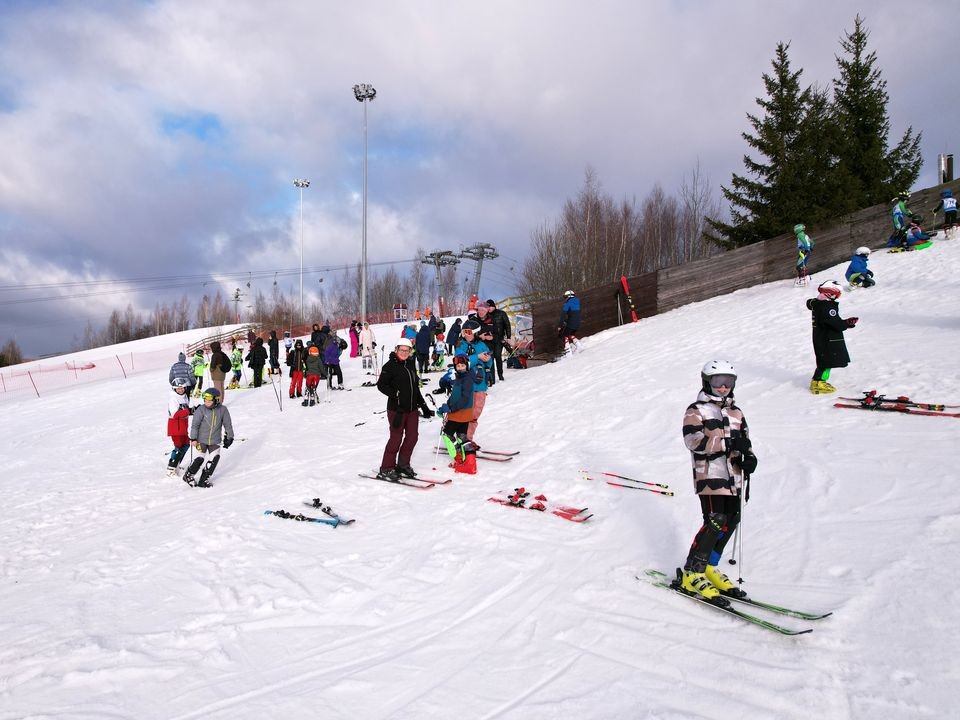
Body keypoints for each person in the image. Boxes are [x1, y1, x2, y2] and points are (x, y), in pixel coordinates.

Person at [679, 360, 758, 602]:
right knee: (715, 521)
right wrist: (727, 444)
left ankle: (709, 567)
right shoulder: (696, 410)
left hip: (734, 476)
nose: (723, 387)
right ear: (706, 382)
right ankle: (692, 571)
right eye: (717, 382)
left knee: (732, 519)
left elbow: (745, 441)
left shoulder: (736, 412)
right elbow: (693, 441)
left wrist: (750, 458)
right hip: (710, 475)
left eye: (728, 382)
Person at [375, 338, 434, 480]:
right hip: (397, 409)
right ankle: (386, 468)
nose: (404, 353)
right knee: (396, 438)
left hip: (412, 409)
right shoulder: (389, 366)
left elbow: (415, 387)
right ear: (396, 350)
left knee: (413, 437)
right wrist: (395, 394)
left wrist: (424, 406)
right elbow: (381, 385)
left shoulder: (410, 364)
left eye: (407, 350)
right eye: (402, 350)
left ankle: (402, 465)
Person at [806, 280, 858, 394]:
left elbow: (830, 321)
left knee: (825, 360)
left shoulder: (819, 304)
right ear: (830, 293)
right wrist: (846, 324)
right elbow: (833, 322)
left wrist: (845, 323)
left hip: (822, 337)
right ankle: (818, 382)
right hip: (828, 338)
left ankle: (819, 381)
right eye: (837, 294)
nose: (837, 296)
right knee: (826, 361)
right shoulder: (827, 307)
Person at [182, 387, 234, 487]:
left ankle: (203, 480)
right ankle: (188, 475)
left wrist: (230, 437)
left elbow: (228, 425)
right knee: (199, 459)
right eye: (205, 399)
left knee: (214, 459)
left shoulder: (223, 410)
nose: (206, 401)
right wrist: (193, 438)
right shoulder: (201, 410)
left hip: (215, 440)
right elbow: (195, 425)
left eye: (209, 400)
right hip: (201, 440)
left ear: (216, 400)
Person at [437, 354, 478, 474]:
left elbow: (465, 399)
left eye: (462, 365)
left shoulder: (467, 379)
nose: (460, 368)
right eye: (458, 366)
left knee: (447, 434)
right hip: (461, 412)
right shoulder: (460, 377)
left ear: (467, 365)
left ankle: (459, 457)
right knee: (462, 436)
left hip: (459, 412)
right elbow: (454, 395)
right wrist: (445, 406)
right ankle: (469, 463)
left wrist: (451, 409)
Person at [454, 320, 492, 442]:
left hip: (480, 384)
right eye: (464, 332)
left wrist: (487, 360)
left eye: (469, 332)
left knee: (476, 413)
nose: (466, 334)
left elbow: (489, 364)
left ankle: (468, 438)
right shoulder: (461, 346)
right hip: (466, 384)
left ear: (475, 332)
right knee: (465, 412)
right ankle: (462, 438)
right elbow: (460, 362)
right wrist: (477, 357)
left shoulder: (482, 345)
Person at [166, 377, 192, 476]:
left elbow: (185, 411)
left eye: (182, 388)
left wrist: (193, 410)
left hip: (183, 426)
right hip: (175, 427)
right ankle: (171, 468)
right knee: (178, 447)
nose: (180, 390)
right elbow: (175, 414)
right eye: (178, 388)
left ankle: (177, 464)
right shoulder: (173, 399)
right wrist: (188, 411)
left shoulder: (185, 397)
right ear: (174, 389)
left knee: (186, 445)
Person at [487, 299, 512, 382]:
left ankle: (500, 375)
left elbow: (507, 325)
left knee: (498, 356)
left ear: (494, 306)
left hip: (499, 339)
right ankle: (491, 377)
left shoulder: (501, 313)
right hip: (489, 340)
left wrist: (508, 337)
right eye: (488, 307)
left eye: (490, 306)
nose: (489, 308)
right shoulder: (486, 315)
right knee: (490, 357)